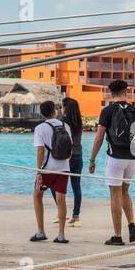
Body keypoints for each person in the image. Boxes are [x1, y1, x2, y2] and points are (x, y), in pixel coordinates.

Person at [88, 78, 135, 246]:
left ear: (111, 93)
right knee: (125, 192)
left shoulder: (108, 110)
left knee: (115, 196)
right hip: (133, 158)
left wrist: (92, 159)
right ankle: (131, 224)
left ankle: (117, 236)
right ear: (126, 92)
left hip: (115, 157)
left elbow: (99, 138)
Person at [31, 99, 71, 244]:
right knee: (61, 200)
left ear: (42, 113)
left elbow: (40, 150)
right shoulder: (65, 125)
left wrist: (39, 170)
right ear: (55, 111)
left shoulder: (40, 128)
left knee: (37, 196)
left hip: (47, 168)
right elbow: (70, 148)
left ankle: (41, 231)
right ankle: (61, 234)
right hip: (64, 167)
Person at [59, 87, 84, 227]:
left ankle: (62, 212)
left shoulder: (63, 122)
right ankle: (76, 215)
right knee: (76, 187)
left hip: (66, 157)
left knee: (56, 185)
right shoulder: (79, 122)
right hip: (78, 155)